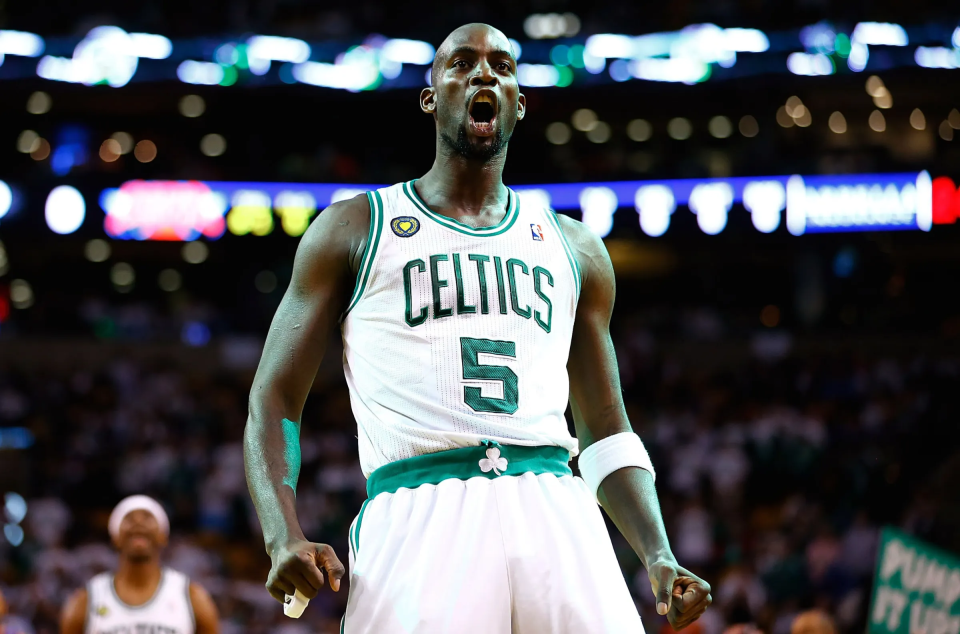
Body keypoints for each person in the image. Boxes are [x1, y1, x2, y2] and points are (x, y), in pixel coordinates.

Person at [243, 22, 712, 633]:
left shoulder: (575, 247)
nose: (484, 73)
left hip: (553, 500)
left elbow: (604, 428)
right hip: (421, 503)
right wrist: (281, 534)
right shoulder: (355, 227)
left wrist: (657, 552)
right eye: (461, 63)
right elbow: (274, 397)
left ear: (519, 103)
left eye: (502, 66)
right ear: (430, 96)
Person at [60, 495, 219, 634]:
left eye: (147, 517)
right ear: (114, 537)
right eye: (129, 518)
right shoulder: (85, 600)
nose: (138, 523)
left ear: (163, 536)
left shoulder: (192, 597)